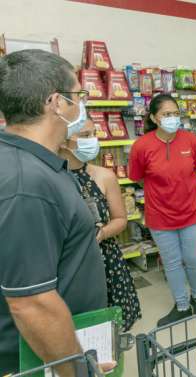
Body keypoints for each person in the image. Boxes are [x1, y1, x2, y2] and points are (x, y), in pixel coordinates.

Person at [0, 50, 111, 375]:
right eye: (78, 95)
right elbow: (31, 302)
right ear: (56, 103)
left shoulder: (28, 161)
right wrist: (77, 371)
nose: (82, 104)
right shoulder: (28, 183)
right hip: (40, 358)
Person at [129, 93, 196, 326]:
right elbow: (137, 177)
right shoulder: (142, 146)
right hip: (160, 215)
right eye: (166, 114)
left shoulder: (191, 140)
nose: (172, 118)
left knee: (193, 258)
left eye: (175, 113)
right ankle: (182, 305)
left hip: (192, 211)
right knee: (171, 262)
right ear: (154, 117)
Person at [59, 117, 142, 331]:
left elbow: (120, 219)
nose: (92, 141)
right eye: (85, 136)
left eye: (94, 134)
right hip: (68, 265)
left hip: (106, 261)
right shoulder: (51, 178)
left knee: (110, 328)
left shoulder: (104, 176)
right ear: (62, 141)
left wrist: (102, 233)